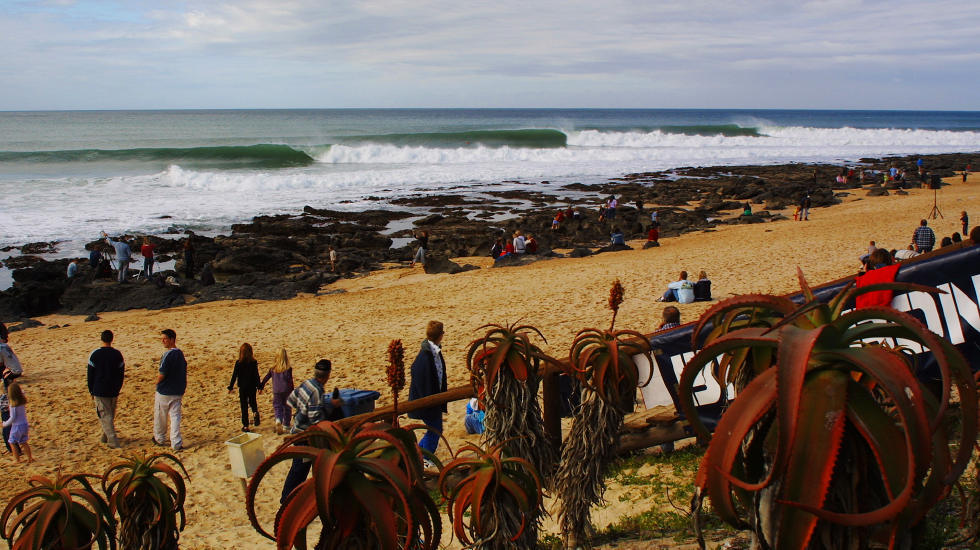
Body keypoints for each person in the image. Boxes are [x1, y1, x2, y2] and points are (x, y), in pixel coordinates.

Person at [281, 359, 343, 503]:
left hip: (297, 429)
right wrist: (330, 407)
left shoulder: (307, 383)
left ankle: (288, 497)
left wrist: (302, 411)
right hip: (306, 435)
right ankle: (287, 499)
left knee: (299, 467)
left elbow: (291, 400)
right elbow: (315, 419)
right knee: (300, 468)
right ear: (327, 376)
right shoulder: (317, 390)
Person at [408, 321, 448, 459]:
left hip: (433, 400)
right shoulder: (425, 356)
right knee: (436, 430)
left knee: (434, 429)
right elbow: (417, 372)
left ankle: (419, 454)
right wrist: (429, 401)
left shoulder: (433, 351)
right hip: (428, 402)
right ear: (441, 335)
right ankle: (423, 457)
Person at [88, 330, 125, 448]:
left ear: (101, 339)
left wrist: (91, 390)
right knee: (109, 414)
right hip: (113, 389)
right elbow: (121, 373)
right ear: (111, 339)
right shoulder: (117, 354)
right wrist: (118, 387)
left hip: (100, 389)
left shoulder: (95, 354)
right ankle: (105, 436)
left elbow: (90, 374)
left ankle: (113, 441)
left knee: (105, 414)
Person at [153, 329, 187, 451]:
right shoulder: (180, 354)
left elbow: (162, 374)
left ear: (172, 340)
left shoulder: (168, 355)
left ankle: (159, 438)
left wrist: (156, 383)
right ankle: (176, 442)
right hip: (177, 390)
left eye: (165, 338)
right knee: (175, 417)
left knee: (161, 416)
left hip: (165, 391)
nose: (163, 341)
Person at [260, 347, 295, 434]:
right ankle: (286, 425)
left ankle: (278, 419)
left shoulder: (273, 368)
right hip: (286, 390)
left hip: (277, 390)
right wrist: (292, 390)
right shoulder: (288, 369)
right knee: (287, 407)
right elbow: (290, 380)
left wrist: (261, 386)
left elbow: (266, 377)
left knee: (277, 406)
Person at [228, 343, 262, 432]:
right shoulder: (253, 363)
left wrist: (230, 387)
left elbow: (234, 376)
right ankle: (255, 412)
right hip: (252, 386)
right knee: (253, 402)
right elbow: (256, 375)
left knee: (244, 406)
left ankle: (246, 426)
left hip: (243, 387)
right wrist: (259, 386)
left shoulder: (238, 363)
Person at [3, 382, 31, 463]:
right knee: (24, 442)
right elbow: (22, 392)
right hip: (25, 424)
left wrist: (5, 424)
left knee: (11, 442)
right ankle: (30, 458)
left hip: (17, 426)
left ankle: (16, 459)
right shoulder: (21, 401)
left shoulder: (13, 405)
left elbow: (12, 418)